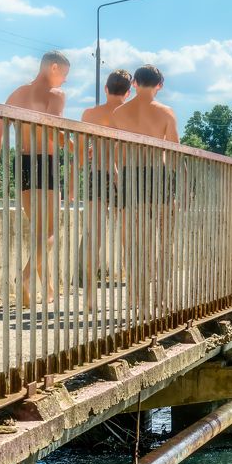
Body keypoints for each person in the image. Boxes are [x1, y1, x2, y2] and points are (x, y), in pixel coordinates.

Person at [110, 65, 180, 315]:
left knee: (136, 244)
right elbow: (173, 152)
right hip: (158, 177)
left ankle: (138, 302)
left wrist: (119, 183)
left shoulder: (119, 113)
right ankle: (162, 299)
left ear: (135, 83)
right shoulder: (166, 112)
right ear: (159, 85)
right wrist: (176, 190)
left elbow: (115, 152)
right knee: (164, 243)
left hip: (131, 177)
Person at [1, 51, 70, 305]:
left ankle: (49, 289)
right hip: (46, 162)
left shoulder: (16, 94)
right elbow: (52, 130)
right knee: (50, 231)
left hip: (23, 163)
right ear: (53, 68)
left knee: (39, 232)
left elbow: (0, 128)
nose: (64, 81)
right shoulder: (56, 95)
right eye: (64, 75)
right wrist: (73, 146)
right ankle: (25, 277)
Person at [80, 69, 132, 309]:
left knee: (93, 236)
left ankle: (90, 297)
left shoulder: (90, 113)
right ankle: (132, 294)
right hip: (124, 177)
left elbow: (80, 153)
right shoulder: (130, 114)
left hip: (96, 175)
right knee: (127, 238)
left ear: (106, 88)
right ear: (129, 91)